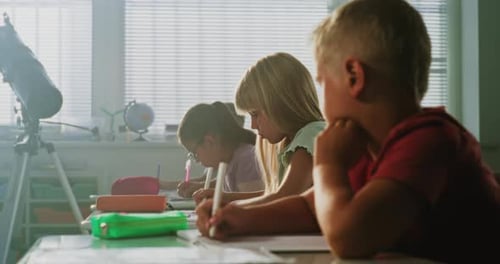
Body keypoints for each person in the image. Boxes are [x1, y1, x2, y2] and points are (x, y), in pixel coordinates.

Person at [195, 0, 500, 263]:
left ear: (354, 76)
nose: (321, 94)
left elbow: (350, 238)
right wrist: (241, 218)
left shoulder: (429, 140)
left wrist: (329, 165)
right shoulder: (365, 149)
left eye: (323, 82)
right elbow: (308, 207)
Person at [192, 52, 325, 205]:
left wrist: (230, 210)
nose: (253, 126)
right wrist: (223, 198)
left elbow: (284, 198)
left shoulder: (311, 136)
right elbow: (273, 193)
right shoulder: (292, 142)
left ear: (281, 105)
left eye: (255, 114)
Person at [159, 101, 263, 197]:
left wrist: (216, 198)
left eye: (194, 153)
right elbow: (227, 185)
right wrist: (201, 186)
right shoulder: (230, 160)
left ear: (209, 142)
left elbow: (252, 205)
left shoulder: (247, 159)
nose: (197, 160)